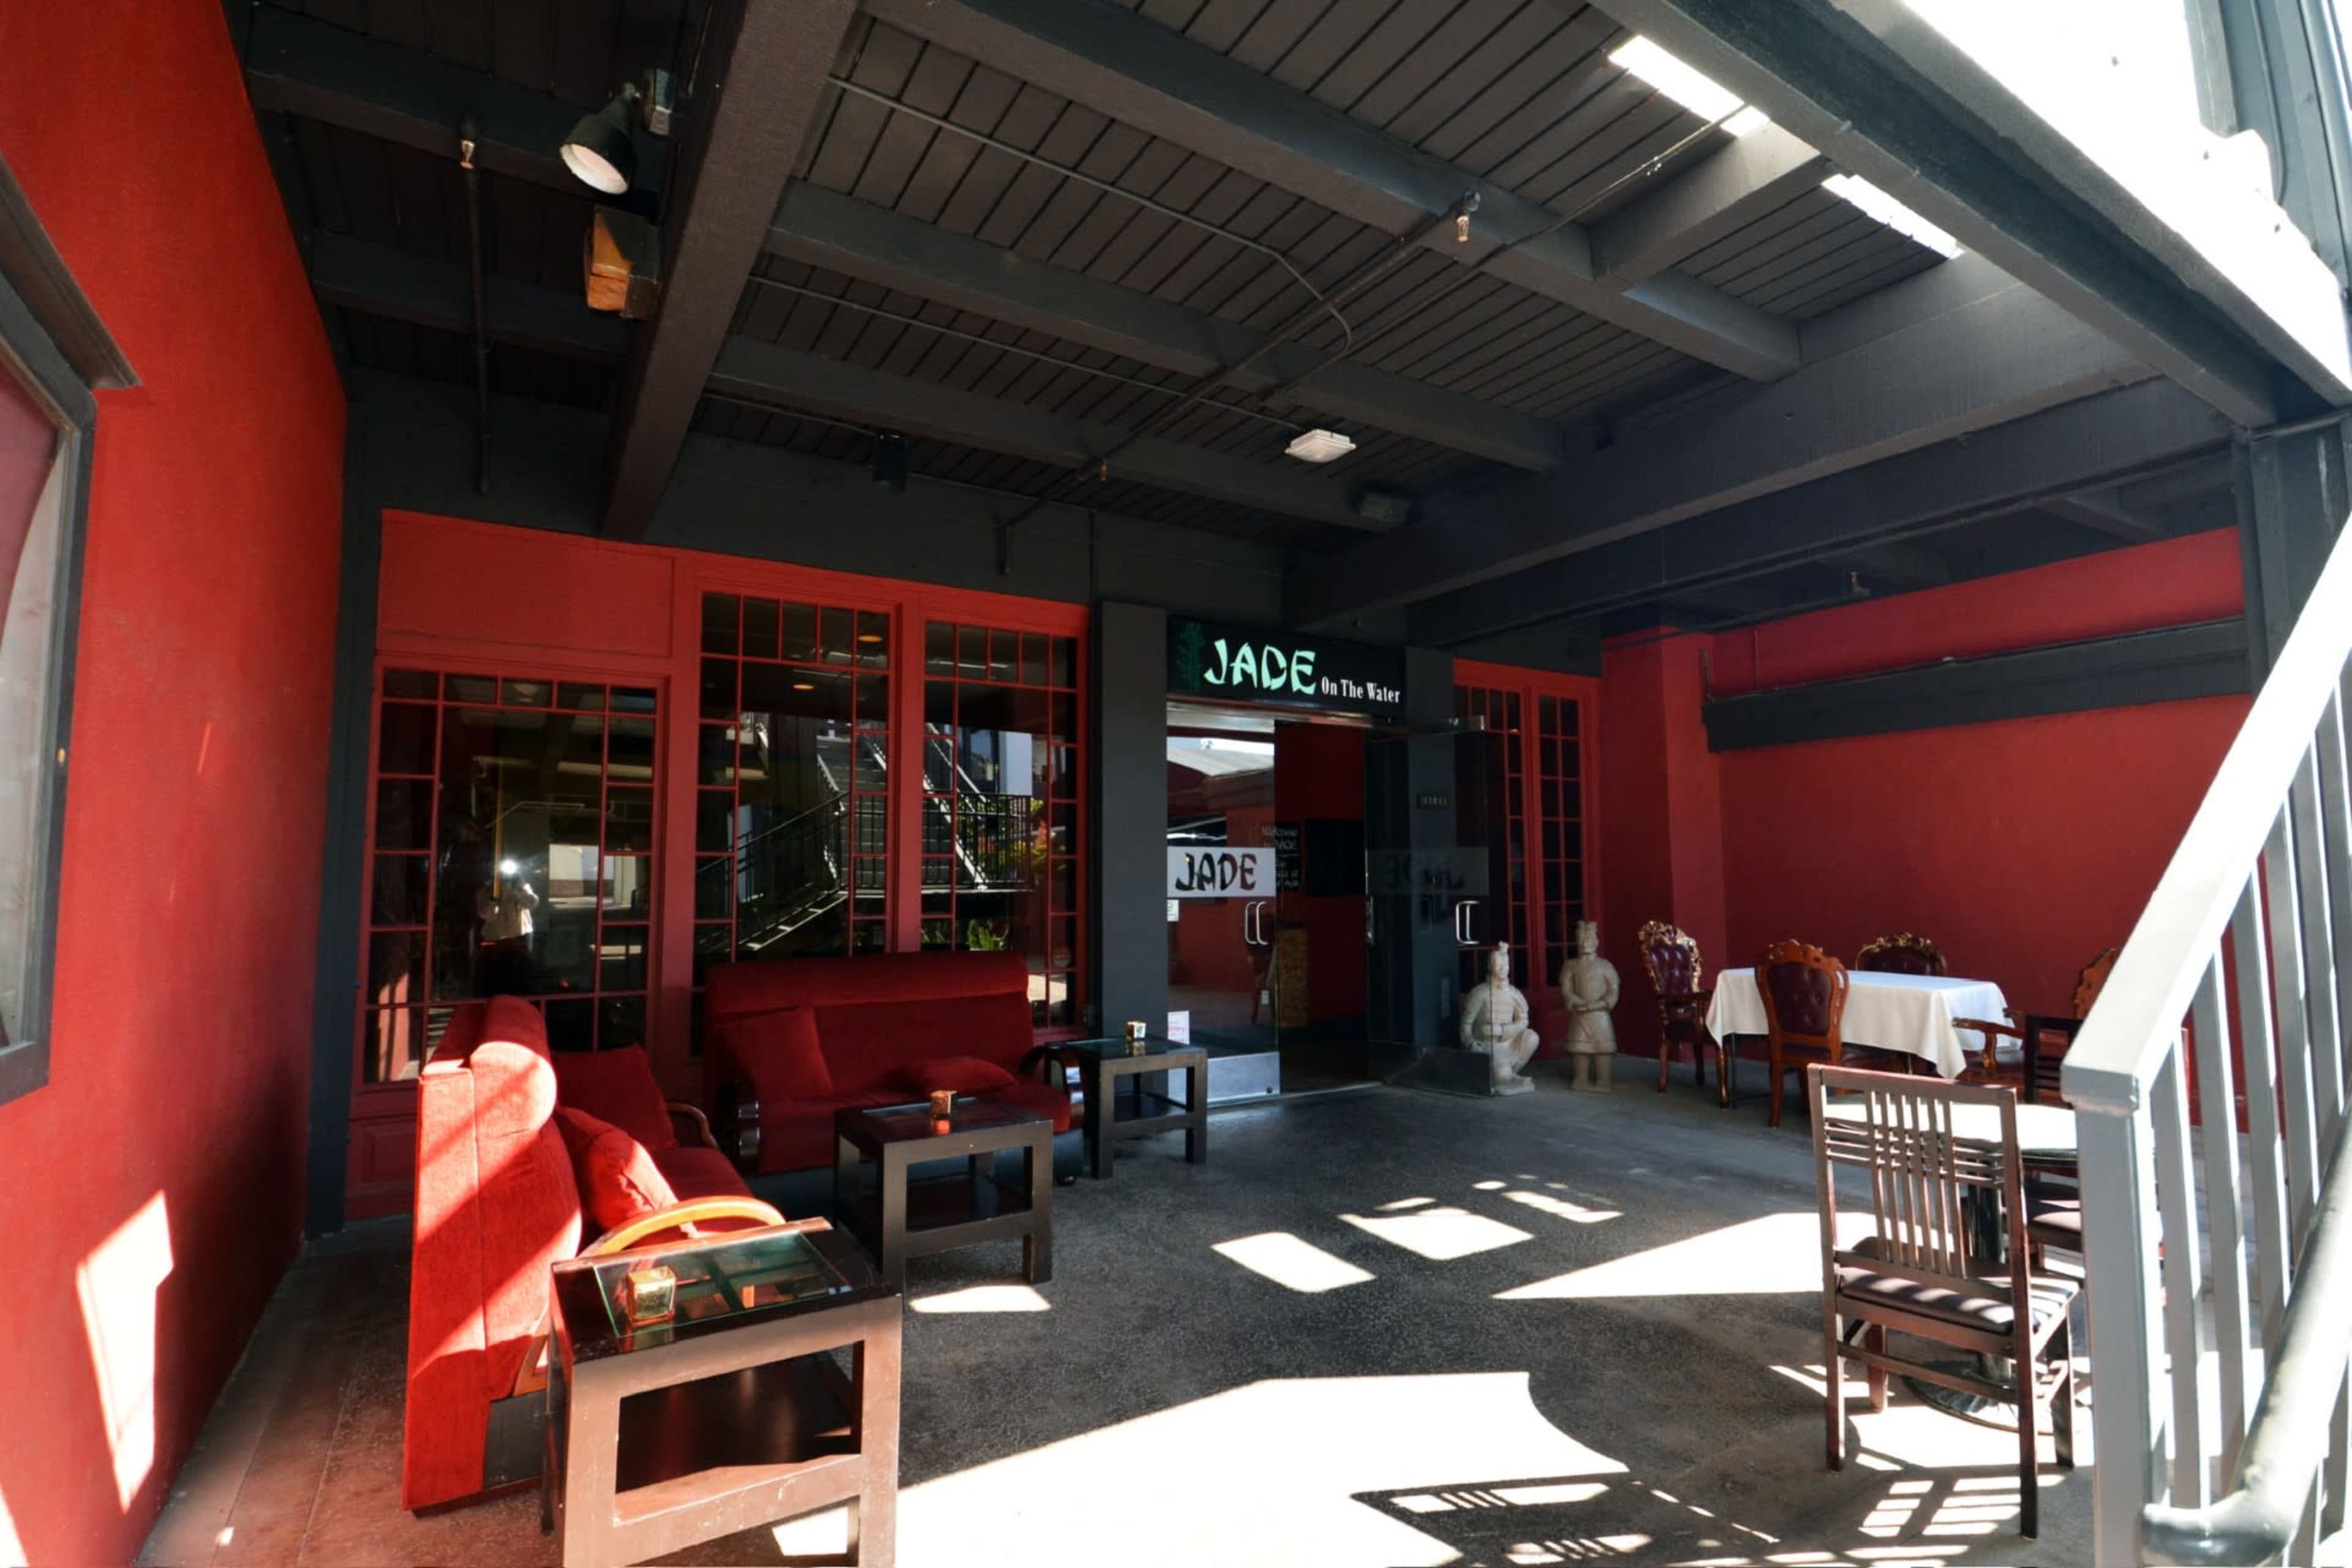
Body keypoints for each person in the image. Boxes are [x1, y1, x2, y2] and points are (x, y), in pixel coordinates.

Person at [1459, 942, 1538, 1094]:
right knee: (1501, 1074)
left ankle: (1508, 1074)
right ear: (1490, 966)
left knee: (1532, 1038)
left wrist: (1502, 1030)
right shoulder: (1480, 993)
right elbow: (1466, 1024)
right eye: (1498, 965)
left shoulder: (1514, 994)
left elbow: (1523, 1021)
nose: (1503, 969)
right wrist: (1471, 1043)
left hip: (1508, 1044)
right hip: (1487, 1046)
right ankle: (1503, 1075)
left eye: (1506, 965)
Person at [1558, 919, 1621, 1093]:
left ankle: (1603, 1080)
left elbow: (1613, 990)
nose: (1584, 943)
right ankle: (1580, 1078)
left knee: (1603, 1049)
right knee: (1580, 1049)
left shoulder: (1605, 966)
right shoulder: (1570, 965)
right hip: (1580, 1014)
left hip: (1600, 1016)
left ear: (1596, 942)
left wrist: (1601, 1004)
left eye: (1588, 939)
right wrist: (1578, 1002)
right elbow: (1566, 989)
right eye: (1580, 939)